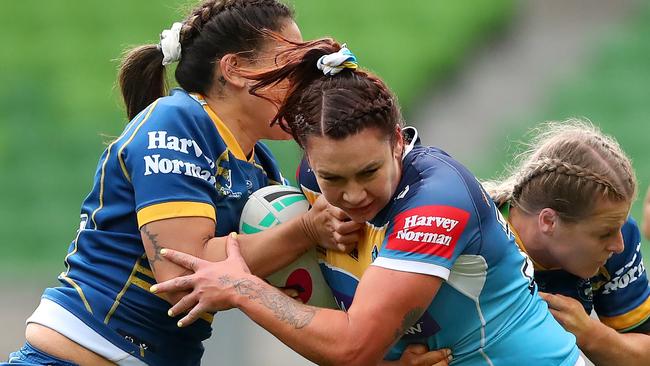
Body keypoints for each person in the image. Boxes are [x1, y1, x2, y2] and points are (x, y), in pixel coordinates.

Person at [151, 38, 584, 365]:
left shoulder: (437, 203)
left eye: (369, 172)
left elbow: (353, 347)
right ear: (307, 155)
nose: (353, 194)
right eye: (332, 177)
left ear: (398, 141)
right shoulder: (310, 184)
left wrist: (242, 288)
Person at [3, 1, 360, 365]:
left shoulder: (262, 167)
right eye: (289, 64)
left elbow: (270, 291)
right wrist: (307, 229)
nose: (304, 82)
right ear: (234, 69)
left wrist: (384, 351)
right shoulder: (176, 122)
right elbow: (182, 275)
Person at [481, 120, 650, 365]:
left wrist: (591, 335)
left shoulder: (617, 234)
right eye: (604, 234)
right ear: (549, 221)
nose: (619, 245)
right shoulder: (475, 241)